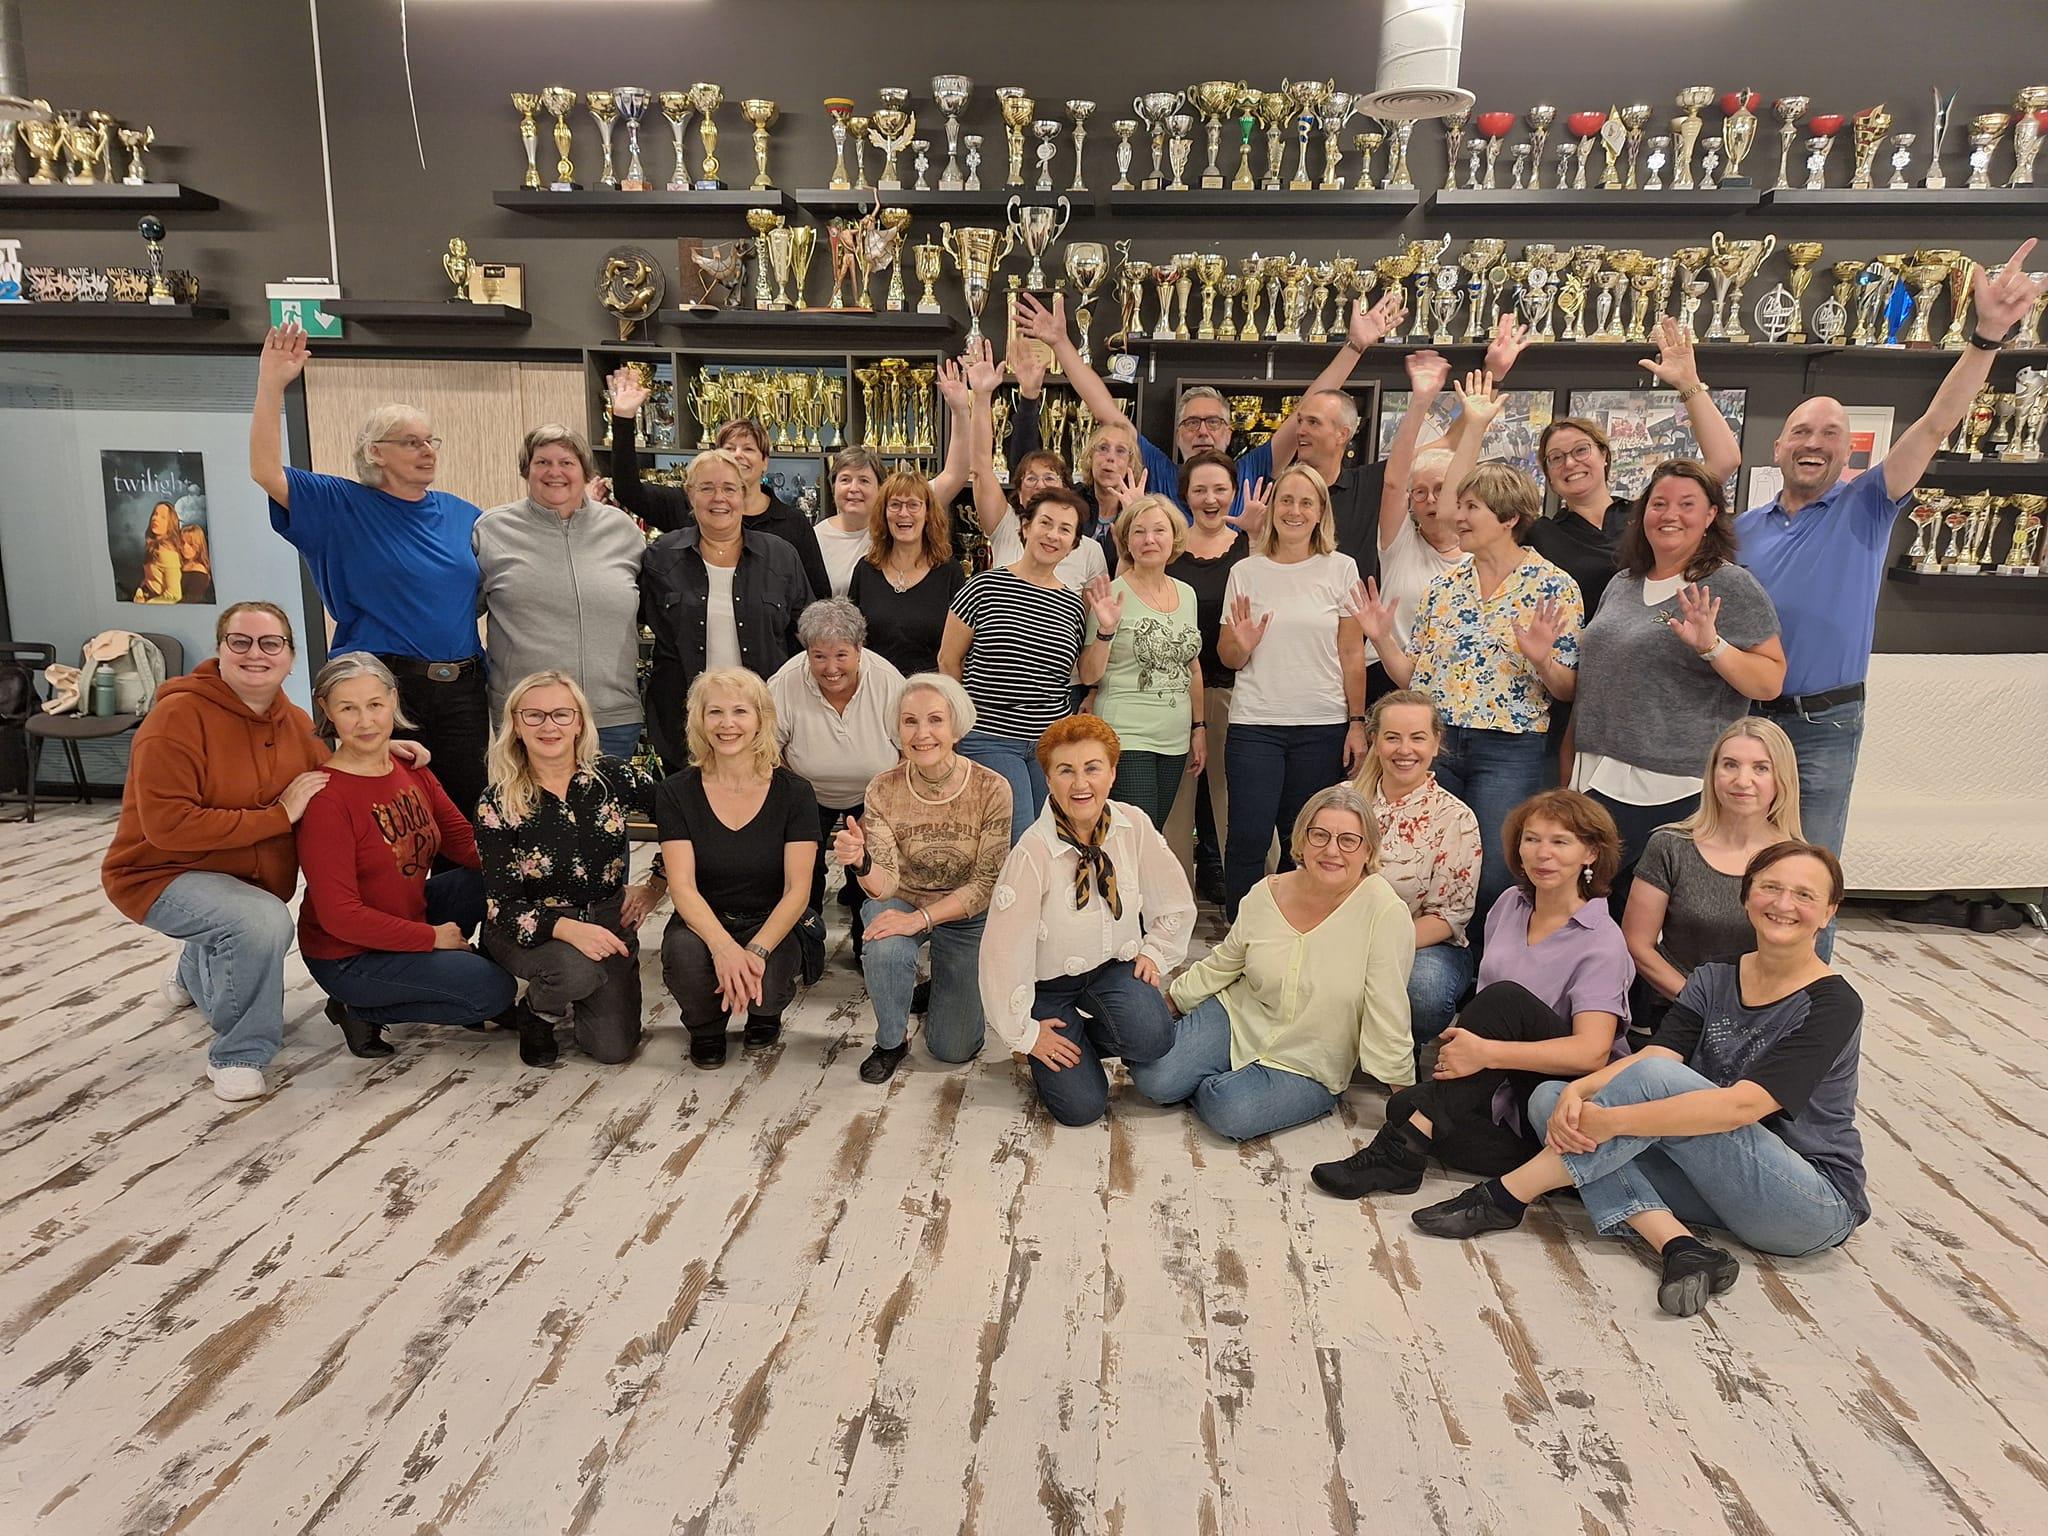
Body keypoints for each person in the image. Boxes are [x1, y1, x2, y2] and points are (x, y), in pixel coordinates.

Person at [1735, 243, 2047, 957]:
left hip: (1825, 722)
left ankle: (1806, 1006)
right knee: (1740, 868)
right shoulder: (1743, 529)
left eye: (1831, 434)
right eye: (1802, 431)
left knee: (1809, 876)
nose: (1815, 442)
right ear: (1778, 447)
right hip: (1746, 718)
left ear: (1851, 451)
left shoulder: (1869, 504)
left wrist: (1986, 337)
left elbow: (1936, 423)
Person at [1409, 842, 1868, 1322]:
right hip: (1714, 1183)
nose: (1783, 903)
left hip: (1805, 1202)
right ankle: (1682, 1247)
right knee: (1550, 1099)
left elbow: (1742, 1108)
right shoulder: (1715, 977)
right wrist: (1578, 1090)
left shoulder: (1833, 1004)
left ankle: (1507, 1196)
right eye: (1770, 887)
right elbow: (1656, 1053)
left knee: (1643, 1088)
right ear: (1748, 895)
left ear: (1828, 912)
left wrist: (1613, 1121)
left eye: (1804, 895)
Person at [102, 602, 430, 1101]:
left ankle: (192, 969)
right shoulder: (176, 718)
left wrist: (382, 749)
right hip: (161, 873)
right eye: (241, 641)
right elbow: (167, 827)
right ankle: (239, 1053)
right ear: (221, 649)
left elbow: (331, 769)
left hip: (241, 881)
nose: (255, 653)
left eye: (270, 643)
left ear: (290, 657)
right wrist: (278, 816)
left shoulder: (293, 722)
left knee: (245, 919)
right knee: (260, 923)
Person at [1311, 789, 1630, 1198]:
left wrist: (1488, 1054)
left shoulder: (1602, 940)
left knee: (1504, 1001)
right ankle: (1552, 1168)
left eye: (1560, 842)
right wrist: (1481, 1061)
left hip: (1563, 1099)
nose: (1542, 854)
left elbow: (1592, 1053)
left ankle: (1395, 1156)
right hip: (1502, 1097)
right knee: (1405, 1108)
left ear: (1591, 854)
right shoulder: (1510, 904)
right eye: (1532, 839)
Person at [1357, 374, 1583, 927]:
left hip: (1509, 749)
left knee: (1495, 872)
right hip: (1439, 742)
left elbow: (1568, 689)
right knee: (1431, 861)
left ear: (1508, 518)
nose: (1455, 516)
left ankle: (1485, 967)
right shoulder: (1444, 587)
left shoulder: (1553, 586)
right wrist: (1381, 634)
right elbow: (1413, 678)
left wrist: (1542, 659)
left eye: (1471, 508)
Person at [250, 324, 490, 819]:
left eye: (430, 441)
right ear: (375, 451)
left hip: (464, 689)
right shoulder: (339, 505)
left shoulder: (461, 513)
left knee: (462, 816)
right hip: (383, 686)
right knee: (392, 817)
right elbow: (265, 471)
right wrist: (271, 384)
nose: (427, 451)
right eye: (411, 442)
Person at [1130, 786, 1415, 1141]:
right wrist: (1169, 1004)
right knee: (1154, 1079)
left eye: (1348, 840)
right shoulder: (1268, 892)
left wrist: (1405, 1097)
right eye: (1320, 835)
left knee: (1230, 1111)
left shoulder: (1385, 912)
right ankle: (1216, 1078)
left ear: (1368, 849)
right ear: (1302, 839)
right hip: (1239, 1018)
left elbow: (1388, 1009)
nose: (1331, 850)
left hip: (1308, 1059)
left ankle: (1221, 1085)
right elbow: (1224, 962)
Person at [1571, 459, 1785, 901]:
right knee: (1593, 910)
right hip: (1597, 774)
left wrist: (1712, 647)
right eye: (1659, 504)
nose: (1670, 515)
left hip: (1670, 785)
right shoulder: (1623, 583)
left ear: (1710, 516)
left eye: (1687, 504)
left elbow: (1770, 680)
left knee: (1640, 913)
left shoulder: (1730, 585)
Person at [1014, 285, 1410, 523]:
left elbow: (1307, 408)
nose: (1202, 431)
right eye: (1191, 423)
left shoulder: (1252, 471)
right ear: (1178, 434)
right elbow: (1105, 410)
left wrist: (1355, 347)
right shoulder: (1159, 472)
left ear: (1229, 432)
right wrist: (1060, 343)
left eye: (1213, 423)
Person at [295, 653, 518, 1058]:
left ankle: (462, 969)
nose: (365, 721)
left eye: (375, 705)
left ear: (393, 700)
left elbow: (464, 843)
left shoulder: (409, 766)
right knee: (492, 992)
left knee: (487, 877)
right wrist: (432, 937)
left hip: (406, 915)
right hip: (349, 955)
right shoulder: (327, 800)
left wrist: (537, 865)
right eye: (348, 708)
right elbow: (341, 916)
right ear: (326, 709)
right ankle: (355, 1008)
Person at [979, 715, 1197, 1126]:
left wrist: (1155, 950)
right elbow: (1002, 952)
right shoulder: (1033, 852)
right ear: (1048, 779)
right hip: (1049, 986)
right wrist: (1026, 1033)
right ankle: (1057, 1044)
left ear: (1112, 773)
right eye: (1066, 771)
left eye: (1092, 768)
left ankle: (1081, 1041)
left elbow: (1172, 896)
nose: (1081, 784)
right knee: (1081, 1109)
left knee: (1154, 1036)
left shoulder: (1133, 825)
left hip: (1111, 968)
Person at [476, 670, 661, 1068]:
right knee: (578, 972)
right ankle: (538, 1013)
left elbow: (682, 816)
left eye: (562, 714)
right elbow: (502, 905)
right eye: (534, 715)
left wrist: (656, 884)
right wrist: (568, 929)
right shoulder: (498, 801)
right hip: (531, 926)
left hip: (608, 918)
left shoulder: (613, 776)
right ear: (516, 725)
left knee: (613, 1049)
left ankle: (580, 993)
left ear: (579, 722)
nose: (549, 726)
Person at [832, 673, 1011, 1083]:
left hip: (967, 910)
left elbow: (985, 885)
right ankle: (890, 1042)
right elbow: (885, 886)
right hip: (905, 897)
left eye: (935, 720)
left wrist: (921, 920)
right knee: (884, 945)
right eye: (910, 721)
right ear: (898, 730)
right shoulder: (883, 789)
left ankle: (940, 985)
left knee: (954, 1049)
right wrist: (861, 862)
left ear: (956, 727)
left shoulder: (992, 788)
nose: (922, 733)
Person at [1216, 462, 1369, 917]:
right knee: (1247, 837)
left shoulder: (1341, 569)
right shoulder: (1246, 571)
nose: (1295, 511)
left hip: (1322, 725)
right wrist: (1242, 644)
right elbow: (1228, 656)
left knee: (1305, 840)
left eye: (1306, 502)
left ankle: (1296, 927)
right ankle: (1241, 930)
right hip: (1256, 725)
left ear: (1321, 512)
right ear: (1272, 509)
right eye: (1286, 500)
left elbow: (1352, 653)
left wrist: (1356, 722)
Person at [1528, 319, 1742, 627]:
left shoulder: (1645, 514)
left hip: (1660, 641)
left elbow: (1725, 460)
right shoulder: (1541, 533)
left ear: (1604, 455)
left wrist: (1688, 384)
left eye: (1580, 450)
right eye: (1556, 458)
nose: (1570, 463)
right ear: (1548, 474)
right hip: (1584, 651)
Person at [655, 667, 816, 1067]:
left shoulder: (795, 793)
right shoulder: (676, 791)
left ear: (761, 719)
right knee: (685, 955)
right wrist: (724, 948)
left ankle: (765, 1014)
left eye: (740, 711)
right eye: (715, 712)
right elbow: (682, 887)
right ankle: (705, 1025)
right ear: (700, 720)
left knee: (770, 981)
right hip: (704, 919)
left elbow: (798, 890)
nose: (727, 723)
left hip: (771, 918)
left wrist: (755, 951)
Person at [940, 487, 1108, 841]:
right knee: (1022, 835)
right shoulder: (984, 587)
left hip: (1051, 741)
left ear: (1074, 544)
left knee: (1053, 834)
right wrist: (957, 727)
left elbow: (1087, 674)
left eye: (1065, 529)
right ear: (1026, 527)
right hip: (990, 736)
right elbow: (948, 660)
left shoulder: (1073, 605)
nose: (1053, 535)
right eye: (1045, 523)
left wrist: (1106, 631)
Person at [473, 424, 648, 761]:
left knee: (607, 799)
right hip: (528, 721)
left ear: (585, 471)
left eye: (567, 462)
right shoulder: (492, 530)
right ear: (526, 470)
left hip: (611, 719)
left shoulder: (622, 530)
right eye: (542, 462)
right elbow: (460, 615)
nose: (555, 472)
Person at [1624, 718, 1802, 1040]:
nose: (1742, 780)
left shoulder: (1798, 860)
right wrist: (1701, 1005)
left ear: (1782, 778)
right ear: (1712, 772)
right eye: (1730, 765)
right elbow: (1637, 944)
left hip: (1765, 1018)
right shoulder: (1670, 846)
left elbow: (1800, 958)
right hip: (1681, 1011)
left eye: (1761, 768)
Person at [639, 447, 809, 772]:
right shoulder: (661, 556)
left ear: (743, 495)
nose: (719, 498)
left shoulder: (781, 556)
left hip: (763, 722)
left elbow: (804, 635)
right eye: (707, 488)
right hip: (682, 724)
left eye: (729, 488)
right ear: (690, 494)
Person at [606, 370, 831, 601]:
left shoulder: (793, 523)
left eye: (749, 449)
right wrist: (623, 419)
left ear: (765, 462)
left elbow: (818, 597)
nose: (738, 455)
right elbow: (627, 490)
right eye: (729, 448)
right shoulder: (688, 505)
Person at [1351, 690, 1482, 1044]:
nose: (1404, 749)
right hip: (1344, 932)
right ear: (1375, 741)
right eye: (1393, 737)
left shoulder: (1456, 818)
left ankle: (1397, 1054)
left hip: (1425, 943)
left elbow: (1448, 917)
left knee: (1423, 993)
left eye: (1417, 738)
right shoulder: (1345, 801)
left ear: (1436, 743)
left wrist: (1373, 949)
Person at [769, 598, 907, 931]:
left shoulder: (889, 682)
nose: (831, 668)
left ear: (859, 649)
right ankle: (805, 943)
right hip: (805, 791)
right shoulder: (784, 682)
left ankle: (865, 943)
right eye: (819, 656)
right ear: (806, 652)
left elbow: (910, 752)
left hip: (875, 793)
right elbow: (768, 750)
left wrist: (878, 809)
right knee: (802, 872)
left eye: (841, 655)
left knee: (866, 870)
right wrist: (796, 799)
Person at [1164, 449, 1253, 902]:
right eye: (1200, 490)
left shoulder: (1251, 548)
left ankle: (1250, 901)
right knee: (1176, 809)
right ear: (1185, 496)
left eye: (1220, 489)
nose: (1210, 499)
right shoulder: (1168, 549)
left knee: (1234, 803)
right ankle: (1174, 904)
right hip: (1173, 694)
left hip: (1234, 692)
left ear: (1234, 493)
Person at [1085, 493, 1203, 831]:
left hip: (1175, 737)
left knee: (1151, 835)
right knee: (1137, 832)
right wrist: (1106, 631)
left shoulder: (1187, 594)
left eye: (1159, 530)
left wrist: (1199, 728)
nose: (1149, 539)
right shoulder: (1111, 594)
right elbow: (1090, 674)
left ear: (1174, 537)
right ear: (1126, 541)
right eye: (1139, 531)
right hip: (1126, 733)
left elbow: (1192, 667)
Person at [1365, 352, 1467, 699]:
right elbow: (1394, 482)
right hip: (1385, 682)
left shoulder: (1478, 556)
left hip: (1454, 685)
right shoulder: (1400, 545)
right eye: (1420, 492)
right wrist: (1421, 399)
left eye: (1441, 489)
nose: (1430, 499)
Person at [847, 467, 968, 676]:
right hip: (876, 685)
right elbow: (852, 640)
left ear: (928, 513)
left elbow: (961, 651)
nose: (903, 513)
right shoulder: (865, 570)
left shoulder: (950, 572)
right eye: (895, 505)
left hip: (931, 688)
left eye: (913, 505)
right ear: (884, 514)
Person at [814, 444, 886, 597]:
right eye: (845, 480)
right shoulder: (815, 538)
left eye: (864, 481)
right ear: (834, 487)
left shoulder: (890, 534)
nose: (853, 488)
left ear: (880, 489)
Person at [131, 501, 185, 603]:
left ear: (170, 525)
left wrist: (148, 604)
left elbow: (174, 595)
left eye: (163, 517)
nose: (155, 518)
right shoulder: (154, 546)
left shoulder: (168, 553)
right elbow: (151, 578)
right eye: (155, 514)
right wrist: (141, 591)